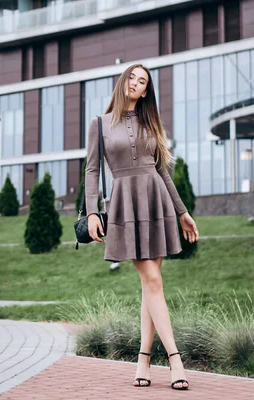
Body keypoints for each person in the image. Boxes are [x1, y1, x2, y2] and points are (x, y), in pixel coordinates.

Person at [85, 64, 199, 390]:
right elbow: (92, 171)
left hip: (155, 200)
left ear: (146, 90)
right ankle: (176, 360)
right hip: (124, 202)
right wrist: (92, 212)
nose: (136, 83)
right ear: (123, 83)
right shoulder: (100, 124)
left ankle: (143, 361)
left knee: (152, 284)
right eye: (132, 78)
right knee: (151, 280)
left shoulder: (152, 122)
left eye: (142, 81)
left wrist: (182, 212)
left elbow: (162, 171)